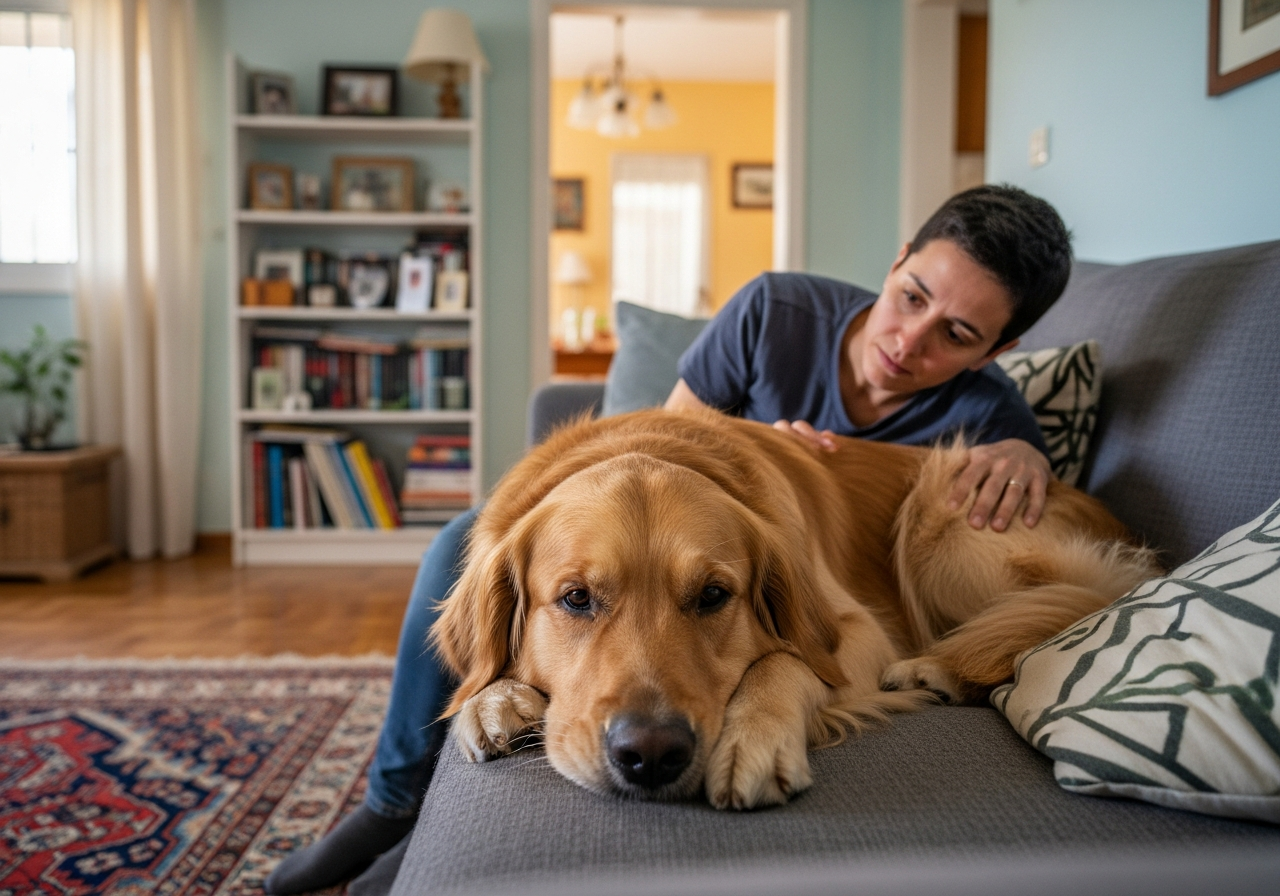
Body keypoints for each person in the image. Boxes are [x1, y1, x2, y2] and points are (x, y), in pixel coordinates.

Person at [265, 184, 1072, 894]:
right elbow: (668, 452)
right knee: (460, 545)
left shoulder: (990, 421)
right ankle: (393, 803)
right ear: (897, 262)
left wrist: (1024, 451)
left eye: (958, 334)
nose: (911, 339)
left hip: (794, 529)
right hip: (703, 491)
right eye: (911, 296)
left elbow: (839, 637)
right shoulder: (775, 310)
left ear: (997, 352)